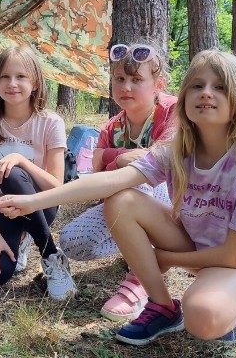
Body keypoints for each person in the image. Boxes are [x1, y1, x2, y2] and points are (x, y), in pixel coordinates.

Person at [0, 50, 236, 346]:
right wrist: (33, 202)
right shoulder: (177, 150)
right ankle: (163, 307)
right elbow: (110, 179)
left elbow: (234, 256)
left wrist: (164, 258)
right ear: (185, 97)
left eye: (220, 87)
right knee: (122, 199)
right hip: (196, 242)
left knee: (202, 315)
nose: (206, 93)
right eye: (197, 86)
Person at [58, 41, 177, 320]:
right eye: (120, 79)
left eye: (137, 80)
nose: (126, 87)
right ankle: (140, 251)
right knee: (73, 241)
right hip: (125, 204)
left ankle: (141, 281)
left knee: (144, 178)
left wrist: (110, 156)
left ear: (159, 84)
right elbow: (99, 178)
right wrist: (121, 156)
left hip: (177, 206)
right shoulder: (112, 127)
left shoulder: (174, 112)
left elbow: (165, 163)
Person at [0, 46, 76, 300]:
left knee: (11, 172)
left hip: (41, 203)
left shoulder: (50, 122)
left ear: (36, 83)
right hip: (2, 209)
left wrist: (20, 159)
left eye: (21, 77)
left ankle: (50, 254)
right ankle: (21, 235)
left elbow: (55, 187)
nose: (12, 83)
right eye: (5, 76)